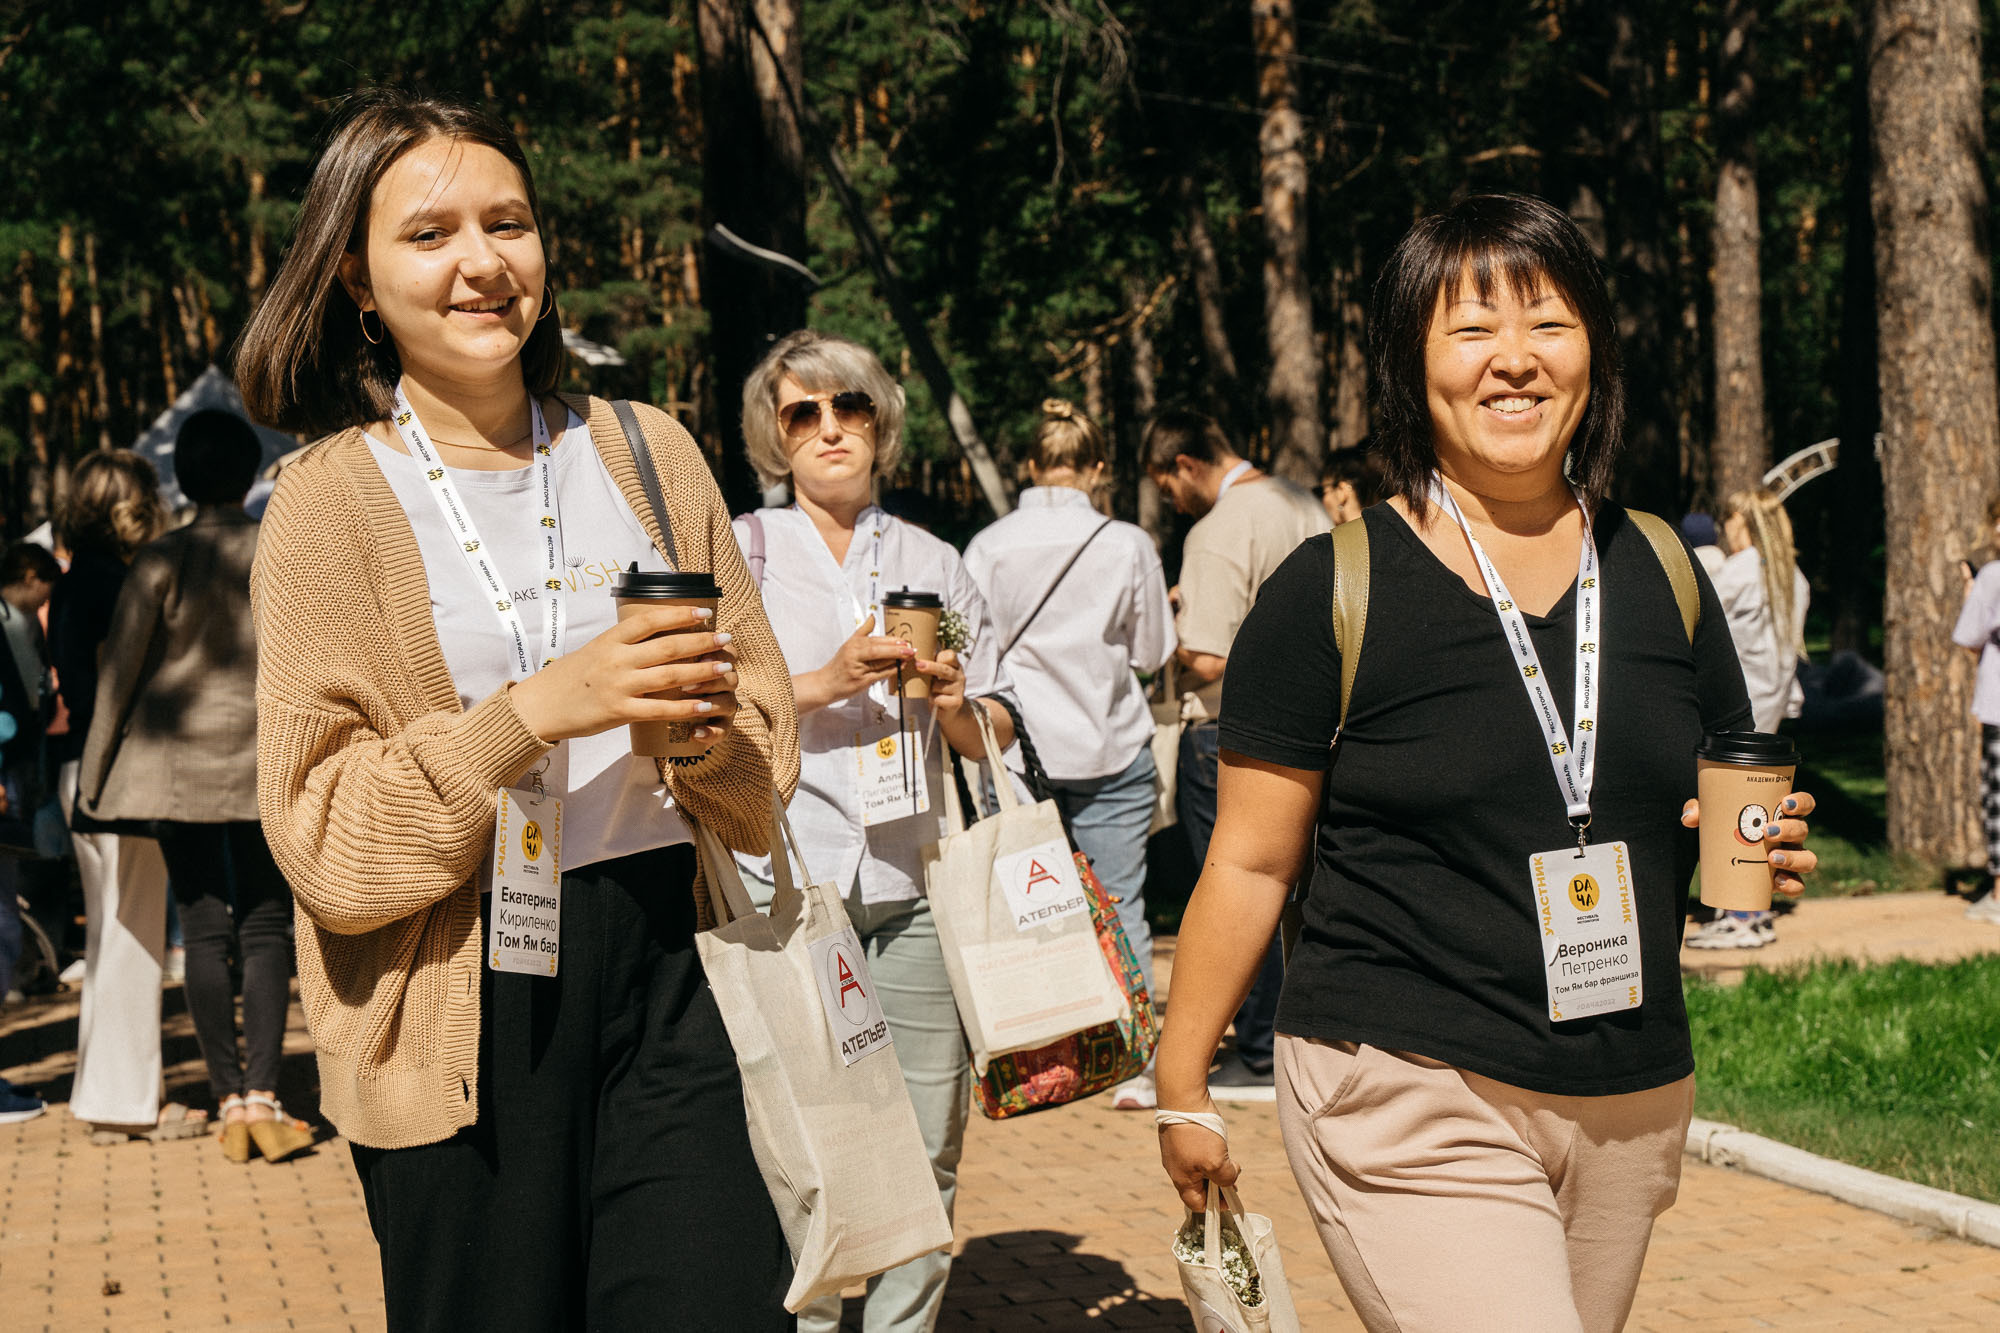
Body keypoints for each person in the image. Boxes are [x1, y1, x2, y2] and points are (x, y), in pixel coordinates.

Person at [1154, 194, 1820, 1333]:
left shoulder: (1661, 568)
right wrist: (1181, 1084)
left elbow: (1703, 798)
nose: (1512, 360)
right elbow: (1253, 864)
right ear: (1410, 366)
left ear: (1592, 356)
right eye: (1469, 330)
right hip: (1405, 1076)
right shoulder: (1327, 593)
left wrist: (1755, 851)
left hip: (1626, 1085)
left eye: (1547, 324)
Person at [234, 89, 796, 1328]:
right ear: (355, 281)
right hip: (454, 996)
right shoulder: (326, 503)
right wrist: (533, 713)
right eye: (430, 235)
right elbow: (323, 837)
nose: (484, 264)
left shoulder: (645, 449)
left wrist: (695, 735)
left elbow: (763, 749)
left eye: (511, 223)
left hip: (670, 964)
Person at [733, 327, 1016, 1333]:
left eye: (846, 405)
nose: (827, 428)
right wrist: (823, 683)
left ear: (879, 419)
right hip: (788, 885)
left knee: (925, 1142)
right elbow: (706, 715)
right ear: (775, 434)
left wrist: (948, 701)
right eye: (801, 411)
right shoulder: (742, 552)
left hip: (915, 881)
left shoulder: (937, 557)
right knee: (804, 1144)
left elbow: (995, 727)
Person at [71, 410, 308, 1161]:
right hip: (267, 764)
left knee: (204, 928)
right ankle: (267, 1094)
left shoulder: (162, 559)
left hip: (178, 776)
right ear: (247, 473)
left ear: (183, 479)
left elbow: (121, 674)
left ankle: (228, 1095)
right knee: (269, 928)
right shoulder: (281, 547)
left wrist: (95, 782)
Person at [963, 398, 1176, 1110]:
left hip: (1022, 756)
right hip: (1112, 743)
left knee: (1033, 913)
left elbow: (972, 658)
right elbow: (1151, 651)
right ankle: (1134, 1062)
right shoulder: (1127, 543)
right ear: (1095, 467)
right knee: (1122, 904)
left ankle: (1042, 1054)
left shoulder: (988, 546)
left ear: (1030, 464)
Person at [1145, 407, 1328, 1096]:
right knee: (1301, 890)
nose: (1170, 499)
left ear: (1186, 464)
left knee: (1234, 884)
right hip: (1317, 727)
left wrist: (1174, 636)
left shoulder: (1219, 528)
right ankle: (1298, 1038)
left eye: (1167, 484)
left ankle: (1256, 1043)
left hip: (1229, 731)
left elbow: (1212, 653)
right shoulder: (1301, 503)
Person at [47, 450, 205, 1144]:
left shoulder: (76, 577)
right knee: (133, 934)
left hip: (83, 765)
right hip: (120, 769)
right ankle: (126, 1100)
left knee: (114, 934)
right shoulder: (118, 580)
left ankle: (112, 1091)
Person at [1686, 487, 1811, 951]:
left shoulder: (1739, 570)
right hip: (1771, 705)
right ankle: (1753, 911)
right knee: (1761, 812)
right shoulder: (1793, 576)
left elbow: (1695, 616)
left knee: (1732, 814)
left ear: (1746, 523)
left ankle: (1739, 915)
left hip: (1736, 707)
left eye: (1730, 520)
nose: (1725, 529)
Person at [1955, 494, 2000, 925]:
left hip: (1998, 702)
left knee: (1997, 795)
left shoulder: (1992, 576)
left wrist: (1972, 591)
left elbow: (1970, 635)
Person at [1317, 441, 1384, 527]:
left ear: (1342, 491)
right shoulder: (1384, 528)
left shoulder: (1339, 539)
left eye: (1324, 491)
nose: (1323, 500)